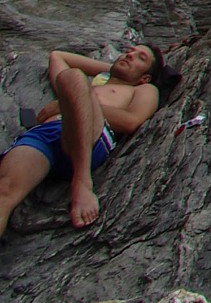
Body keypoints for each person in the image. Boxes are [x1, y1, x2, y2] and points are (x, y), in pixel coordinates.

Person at [1, 45, 174, 237]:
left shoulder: (144, 89)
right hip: (44, 136)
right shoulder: (95, 84)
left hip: (89, 136)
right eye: (129, 51)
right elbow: (58, 56)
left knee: (74, 77)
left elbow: (132, 121)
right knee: (5, 191)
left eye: (140, 58)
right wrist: (112, 69)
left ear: (145, 77)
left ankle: (82, 182)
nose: (130, 55)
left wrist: (65, 105)